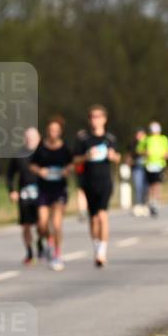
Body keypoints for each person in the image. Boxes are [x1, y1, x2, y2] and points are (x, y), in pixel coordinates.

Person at [73, 106, 120, 267]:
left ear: (104, 119)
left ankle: (102, 251)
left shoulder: (110, 139)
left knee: (102, 215)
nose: (95, 120)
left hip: (105, 181)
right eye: (92, 117)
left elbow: (118, 157)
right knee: (93, 219)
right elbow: (74, 160)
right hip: (88, 182)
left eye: (98, 117)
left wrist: (113, 156)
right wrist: (86, 156)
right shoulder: (84, 139)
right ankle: (96, 246)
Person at [32, 116, 74, 270]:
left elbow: (72, 164)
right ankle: (48, 241)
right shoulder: (41, 147)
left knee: (56, 224)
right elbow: (32, 165)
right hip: (43, 189)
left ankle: (57, 254)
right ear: (47, 131)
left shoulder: (65, 148)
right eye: (51, 130)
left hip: (59, 189)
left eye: (56, 130)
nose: (53, 132)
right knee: (42, 223)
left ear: (60, 131)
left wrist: (66, 171)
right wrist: (40, 171)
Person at [7, 127, 43, 264]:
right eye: (28, 137)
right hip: (25, 193)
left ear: (39, 138)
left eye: (33, 137)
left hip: (41, 192)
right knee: (26, 224)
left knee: (42, 223)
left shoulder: (43, 153)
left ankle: (41, 242)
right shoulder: (19, 155)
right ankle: (29, 252)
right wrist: (12, 191)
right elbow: (10, 175)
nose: (30, 140)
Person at [139, 121, 168, 217]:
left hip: (159, 164)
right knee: (150, 184)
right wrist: (145, 152)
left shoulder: (163, 139)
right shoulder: (146, 139)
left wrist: (166, 154)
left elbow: (167, 151)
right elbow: (139, 150)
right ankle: (151, 201)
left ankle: (156, 201)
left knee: (157, 183)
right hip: (149, 164)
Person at [130, 127, 148, 216]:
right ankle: (137, 205)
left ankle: (144, 204)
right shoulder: (133, 144)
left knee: (146, 187)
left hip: (148, 167)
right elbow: (130, 155)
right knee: (138, 186)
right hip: (136, 168)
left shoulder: (148, 143)